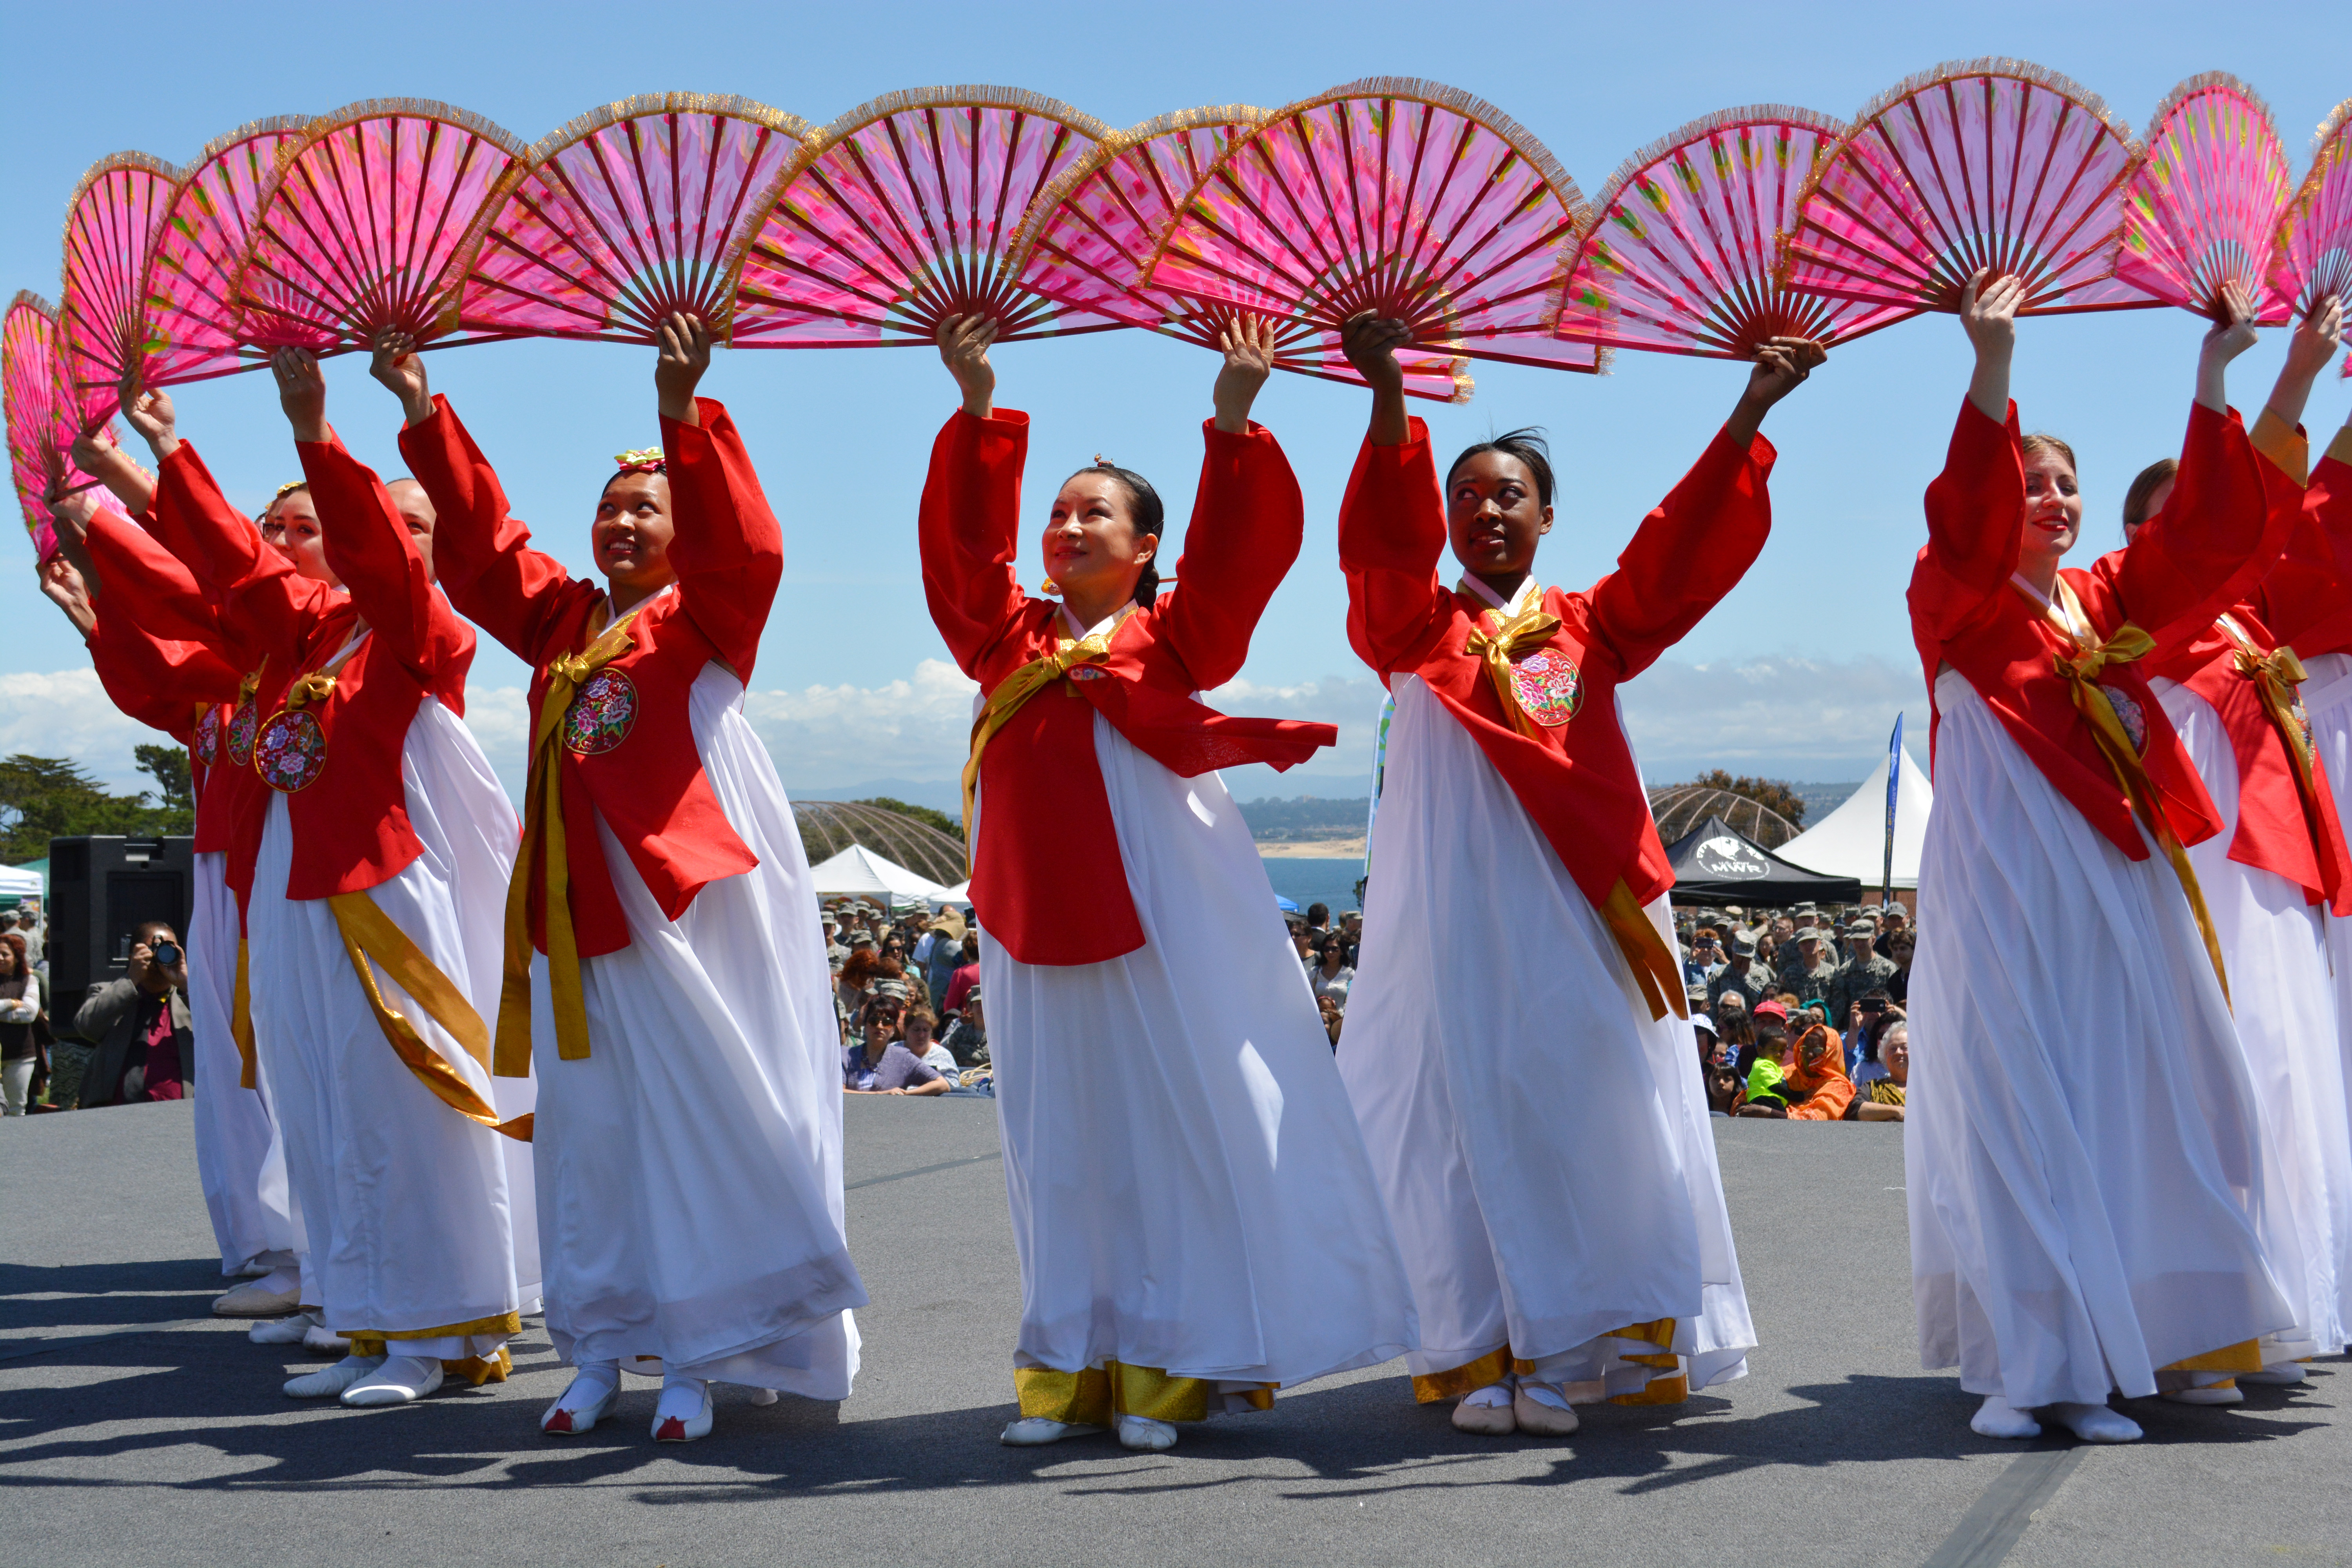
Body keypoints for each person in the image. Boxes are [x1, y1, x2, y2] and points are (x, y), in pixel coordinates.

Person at [926, 309, 1413, 1453]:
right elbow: (963, 560)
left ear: (1145, 546)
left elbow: (1238, 564)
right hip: (1031, 922)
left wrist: (1232, 421)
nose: (1065, 524)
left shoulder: (1174, 638)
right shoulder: (1005, 641)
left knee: (1163, 1139)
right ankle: (1060, 1371)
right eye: (1054, 510)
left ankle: (1162, 1368)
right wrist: (977, 410)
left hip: (1157, 919)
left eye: (1092, 510)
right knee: (1057, 1148)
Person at [1329, 309, 1821, 1436]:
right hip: (1452, 926)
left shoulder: (1589, 630)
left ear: (1548, 519)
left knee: (1590, 1116)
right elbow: (1380, 544)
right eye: (1468, 495)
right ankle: (1486, 1350)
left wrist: (1751, 409)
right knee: (1460, 1122)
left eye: (1512, 495)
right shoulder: (1408, 627)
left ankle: (1584, 1347)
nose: (1489, 510)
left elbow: (1681, 545)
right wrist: (1390, 393)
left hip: (1581, 913)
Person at [379, 314, 863, 1443]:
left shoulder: (709, 619)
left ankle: (701, 1356)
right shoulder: (565, 626)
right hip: (573, 909)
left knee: (701, 1118)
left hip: (686, 901)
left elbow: (750, 546)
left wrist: (684, 414)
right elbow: (486, 550)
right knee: (594, 1133)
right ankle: (599, 1349)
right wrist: (420, 410)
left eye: (646, 507)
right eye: (609, 509)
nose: (620, 521)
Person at [1904, 270, 2294, 1445]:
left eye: (2067, 484)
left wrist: (2215, 373)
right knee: (2027, 1103)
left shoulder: (2099, 602)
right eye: (2034, 482)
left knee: (2146, 1089)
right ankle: (2039, 1370)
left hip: (2114, 886)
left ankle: (2165, 1333)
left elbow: (2205, 538)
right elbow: (1963, 510)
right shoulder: (1955, 598)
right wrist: (1991, 367)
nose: (2056, 499)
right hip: (2011, 885)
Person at [152, 345, 533, 1410]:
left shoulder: (423, 633)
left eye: (414, 530)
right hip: (304, 894)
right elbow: (229, 566)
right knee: (324, 1114)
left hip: (385, 893)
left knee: (405, 1114)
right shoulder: (314, 636)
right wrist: (157, 457)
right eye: (387, 526)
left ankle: (442, 1334)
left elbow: (370, 548)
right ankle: (368, 1322)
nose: (393, 543)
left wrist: (313, 421)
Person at [2130, 299, 2352, 1387]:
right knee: (2219, 1077)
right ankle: (2204, 1307)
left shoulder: (2250, 632)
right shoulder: (2144, 619)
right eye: (2181, 520)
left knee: (2285, 1076)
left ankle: (2282, 1298)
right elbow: (2241, 500)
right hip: (2201, 879)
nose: (2215, 532)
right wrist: (2288, 382)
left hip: (2267, 888)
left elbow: (2294, 518)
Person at [58, 415, 309, 1311]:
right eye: (270, 525)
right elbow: (161, 686)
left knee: (294, 1070)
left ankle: (320, 1254)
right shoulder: (235, 669)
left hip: (301, 883)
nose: (275, 540)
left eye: (301, 529)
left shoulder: (315, 651)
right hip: (228, 883)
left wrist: (108, 505)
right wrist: (95, 615)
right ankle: (270, 1246)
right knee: (245, 1075)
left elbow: (191, 575)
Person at [68, 920, 195, 1107]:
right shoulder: (110, 993)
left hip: (179, 1110)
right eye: (152, 949)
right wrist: (132, 978)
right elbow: (87, 1027)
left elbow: (223, 1030)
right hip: (116, 1111)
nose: (159, 955)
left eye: (169, 948)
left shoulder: (191, 999)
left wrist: (186, 984)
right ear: (133, 955)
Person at [844, 1000, 948, 1096]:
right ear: (865, 1026)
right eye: (874, 1021)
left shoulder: (903, 1057)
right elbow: (838, 1092)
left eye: (887, 1023)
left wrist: (906, 1094)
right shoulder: (846, 1055)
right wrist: (880, 1095)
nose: (880, 1026)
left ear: (894, 1030)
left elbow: (942, 1084)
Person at [0, 932, 48, 1115]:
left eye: (6, 954)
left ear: (17, 957)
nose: (1, 958)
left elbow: (29, 1013)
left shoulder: (30, 980)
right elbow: (19, 1010)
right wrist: (10, 1004)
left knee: (16, 1108)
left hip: (20, 1056)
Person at [1778, 1024, 1855, 1122]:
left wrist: (1770, 1113)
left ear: (1831, 1053)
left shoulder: (1840, 1086)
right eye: (1805, 1048)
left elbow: (1815, 1120)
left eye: (1818, 1050)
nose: (1810, 1055)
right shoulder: (1787, 1074)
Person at [1706, 929, 1771, 1015]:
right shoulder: (1720, 974)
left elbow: (1763, 1003)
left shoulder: (1761, 973)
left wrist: (1746, 978)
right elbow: (1712, 1005)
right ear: (1733, 950)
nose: (1741, 959)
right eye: (1739, 955)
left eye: (1745, 957)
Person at [1855, 1021, 1909, 1122]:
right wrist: (1896, 1111)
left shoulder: (1927, 1088)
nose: (1898, 1052)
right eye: (1893, 1049)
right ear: (1885, 1055)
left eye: (1904, 1048)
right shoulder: (1873, 1087)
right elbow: (1856, 1110)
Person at [902, 1007, 958, 1081]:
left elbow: (954, 1087)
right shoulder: (892, 1051)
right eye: (916, 1030)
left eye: (926, 1030)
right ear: (906, 1030)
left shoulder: (943, 1055)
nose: (921, 1035)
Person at [940, 987, 988, 1069]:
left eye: (984, 1004)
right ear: (971, 1007)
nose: (981, 1008)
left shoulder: (999, 1036)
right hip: (963, 1079)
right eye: (978, 1004)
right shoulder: (960, 1033)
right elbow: (947, 1058)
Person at [1309, 931, 1354, 1012]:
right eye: (1327, 949)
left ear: (1342, 951)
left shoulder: (1350, 974)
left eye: (1334, 949)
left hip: (1341, 1020)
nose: (1330, 952)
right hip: (1319, 1019)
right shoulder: (1315, 972)